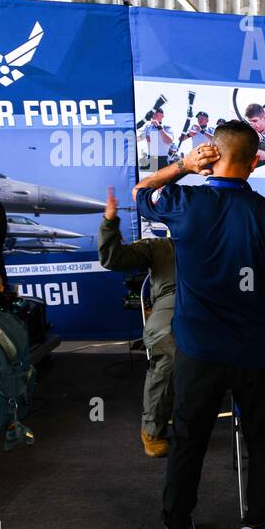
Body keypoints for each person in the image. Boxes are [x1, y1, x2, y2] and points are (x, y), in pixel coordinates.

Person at [135, 122, 265, 529]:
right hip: (256, 352)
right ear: (255, 161)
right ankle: (257, 527)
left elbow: (142, 191)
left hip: (198, 350)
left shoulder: (184, 200)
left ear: (210, 157)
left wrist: (181, 167)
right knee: (262, 441)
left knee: (188, 439)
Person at [98, 187, 177, 458]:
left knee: (250, 337)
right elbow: (113, 258)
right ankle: (152, 429)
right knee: (169, 347)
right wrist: (110, 223)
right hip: (173, 308)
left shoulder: (217, 244)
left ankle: (260, 418)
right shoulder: (159, 247)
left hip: (213, 307)